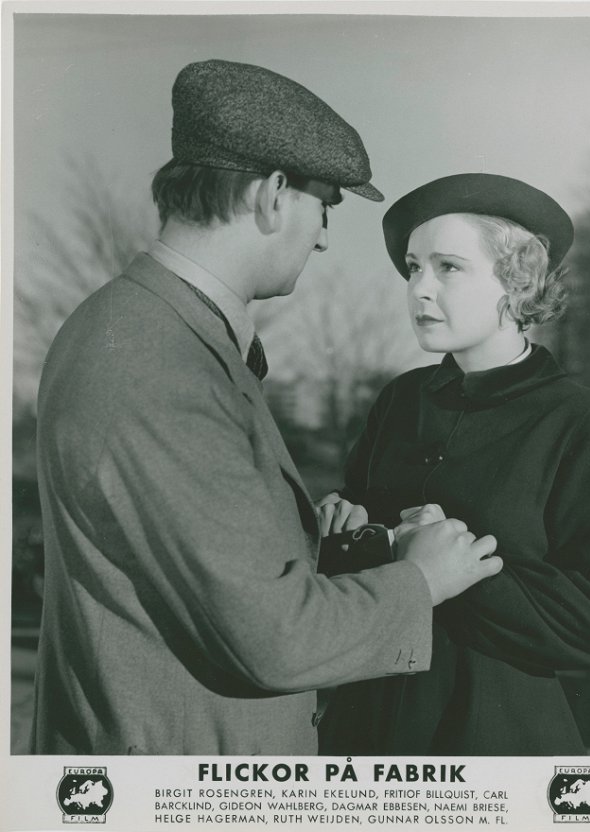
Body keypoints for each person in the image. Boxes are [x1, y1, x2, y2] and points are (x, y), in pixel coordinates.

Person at [29, 62, 502, 756]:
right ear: (274, 196)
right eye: (326, 207)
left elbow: (196, 573)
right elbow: (275, 639)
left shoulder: (144, 328)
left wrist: (338, 545)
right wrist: (420, 578)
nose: (320, 238)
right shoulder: (157, 366)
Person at [317, 173, 590, 756]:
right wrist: (346, 532)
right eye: (413, 267)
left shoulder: (578, 420)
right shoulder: (399, 401)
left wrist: (455, 570)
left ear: (518, 283)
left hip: (496, 743)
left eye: (448, 267)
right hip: (366, 737)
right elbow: (358, 567)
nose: (418, 289)